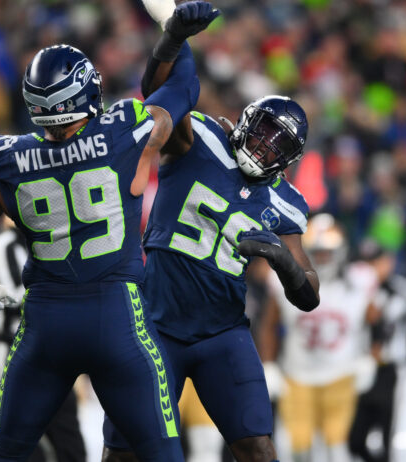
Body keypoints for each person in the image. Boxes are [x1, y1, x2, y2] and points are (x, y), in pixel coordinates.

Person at [0, 3, 219, 459]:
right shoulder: (123, 130)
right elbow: (181, 87)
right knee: (162, 454)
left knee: (1, 454)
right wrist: (171, 38)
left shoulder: (5, 161)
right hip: (118, 323)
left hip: (44, 327)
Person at [103, 5, 319, 462]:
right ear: (244, 121)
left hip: (221, 332)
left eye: (274, 145)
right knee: (123, 451)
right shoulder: (199, 139)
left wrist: (283, 262)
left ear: (288, 160)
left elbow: (309, 290)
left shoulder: (289, 205)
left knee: (258, 448)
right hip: (154, 324)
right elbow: (158, 93)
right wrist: (173, 39)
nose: (262, 147)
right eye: (260, 134)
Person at [259, 214, 375, 462]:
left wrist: (370, 356)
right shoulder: (283, 281)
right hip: (298, 376)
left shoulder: (360, 280)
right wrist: (268, 364)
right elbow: (268, 325)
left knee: (338, 449)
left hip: (341, 375)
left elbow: (379, 322)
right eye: (317, 251)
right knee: (297, 449)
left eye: (328, 252)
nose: (322, 258)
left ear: (342, 251)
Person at [0, 221, 87, 462]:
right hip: (17, 353)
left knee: (70, 442)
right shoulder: (4, 244)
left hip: (56, 355)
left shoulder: (51, 242)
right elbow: (16, 298)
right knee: (18, 445)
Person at [349, 241, 406, 462]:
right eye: (368, 263)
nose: (373, 268)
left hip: (393, 372)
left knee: (391, 437)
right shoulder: (353, 291)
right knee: (354, 439)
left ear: (390, 262)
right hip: (358, 370)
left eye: (377, 262)